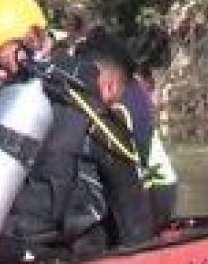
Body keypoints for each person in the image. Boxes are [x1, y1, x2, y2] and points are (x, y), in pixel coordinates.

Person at [0, 0, 154, 264]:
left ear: (33, 39)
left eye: (0, 63)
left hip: (16, 257)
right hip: (53, 258)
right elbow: (131, 208)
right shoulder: (80, 98)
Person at [76, 26, 181, 225]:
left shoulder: (128, 101)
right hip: (149, 189)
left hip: (152, 194)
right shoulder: (124, 93)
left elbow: (133, 164)